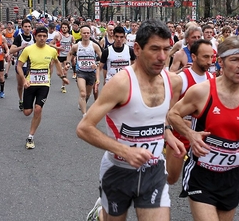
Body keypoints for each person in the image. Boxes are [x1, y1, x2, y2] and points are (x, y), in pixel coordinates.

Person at [77, 19, 185, 221]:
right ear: (137, 48)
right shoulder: (121, 83)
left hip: (154, 170)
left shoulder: (173, 81)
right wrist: (125, 151)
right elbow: (84, 128)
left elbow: (162, 118)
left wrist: (168, 134)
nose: (162, 57)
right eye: (154, 49)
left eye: (166, 49)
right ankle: (101, 214)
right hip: (118, 171)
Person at [167, 36, 239, 221]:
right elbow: (172, 114)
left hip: (231, 175)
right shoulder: (202, 91)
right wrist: (190, 133)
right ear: (220, 62)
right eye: (235, 60)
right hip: (201, 172)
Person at [166, 39, 214, 185]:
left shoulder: (212, 79)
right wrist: (170, 131)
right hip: (179, 137)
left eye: (212, 57)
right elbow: (169, 112)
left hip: (202, 139)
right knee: (171, 179)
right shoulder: (181, 79)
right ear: (193, 57)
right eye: (205, 57)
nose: (210, 61)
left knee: (203, 182)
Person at [17, 26, 70, 149]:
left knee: (38, 109)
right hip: (30, 83)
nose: (42, 38)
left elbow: (56, 63)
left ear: (47, 37)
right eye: (39, 36)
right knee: (27, 112)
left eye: (44, 36)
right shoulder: (28, 50)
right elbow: (19, 66)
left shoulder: (51, 50)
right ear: (35, 37)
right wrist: (24, 80)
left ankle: (31, 136)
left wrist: (63, 77)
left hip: (44, 84)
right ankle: (35, 112)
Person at [65, 25, 102, 116]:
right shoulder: (76, 46)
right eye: (84, 33)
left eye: (88, 33)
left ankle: (82, 103)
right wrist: (68, 63)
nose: (86, 35)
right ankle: (85, 115)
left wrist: (96, 64)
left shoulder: (94, 46)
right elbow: (69, 54)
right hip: (81, 72)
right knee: (82, 93)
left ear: (90, 34)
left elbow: (102, 58)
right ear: (81, 34)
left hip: (91, 73)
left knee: (88, 94)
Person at [10, 19, 35, 111]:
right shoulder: (19, 38)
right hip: (21, 65)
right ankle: (21, 100)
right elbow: (11, 51)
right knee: (20, 85)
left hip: (31, 66)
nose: (27, 28)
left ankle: (28, 101)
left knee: (30, 85)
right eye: (26, 26)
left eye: (29, 26)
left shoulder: (34, 37)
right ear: (22, 27)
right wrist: (21, 47)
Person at [50, 21, 73, 93]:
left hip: (66, 56)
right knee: (59, 73)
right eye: (63, 27)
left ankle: (63, 86)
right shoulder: (58, 36)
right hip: (59, 56)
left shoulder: (71, 37)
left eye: (65, 27)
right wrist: (58, 48)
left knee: (65, 72)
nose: (64, 29)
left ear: (68, 28)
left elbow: (73, 46)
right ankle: (63, 78)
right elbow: (50, 44)